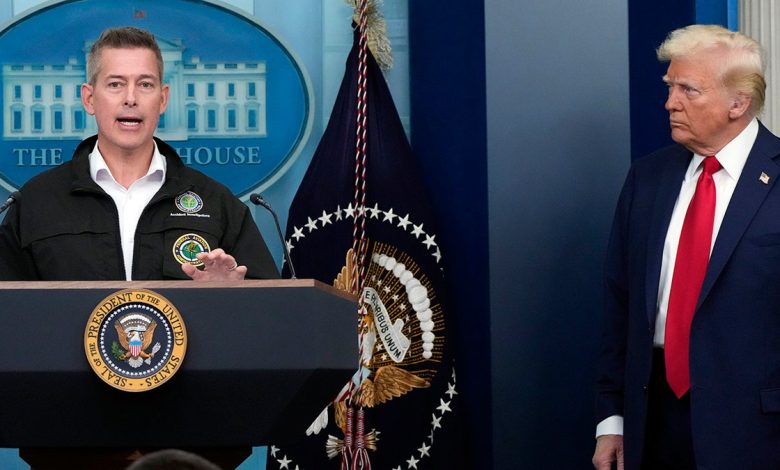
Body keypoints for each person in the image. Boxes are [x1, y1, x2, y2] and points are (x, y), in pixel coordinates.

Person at [593, 25, 780, 469]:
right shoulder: (648, 178)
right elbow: (618, 303)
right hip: (651, 420)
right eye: (670, 86)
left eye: (688, 90)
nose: (670, 102)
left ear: (738, 103)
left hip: (756, 432)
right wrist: (611, 420)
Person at [0, 26, 278, 281]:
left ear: (163, 98)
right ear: (89, 99)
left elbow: (271, 313)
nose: (130, 98)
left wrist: (231, 296)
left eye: (145, 84)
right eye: (115, 84)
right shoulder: (36, 201)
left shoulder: (216, 203)